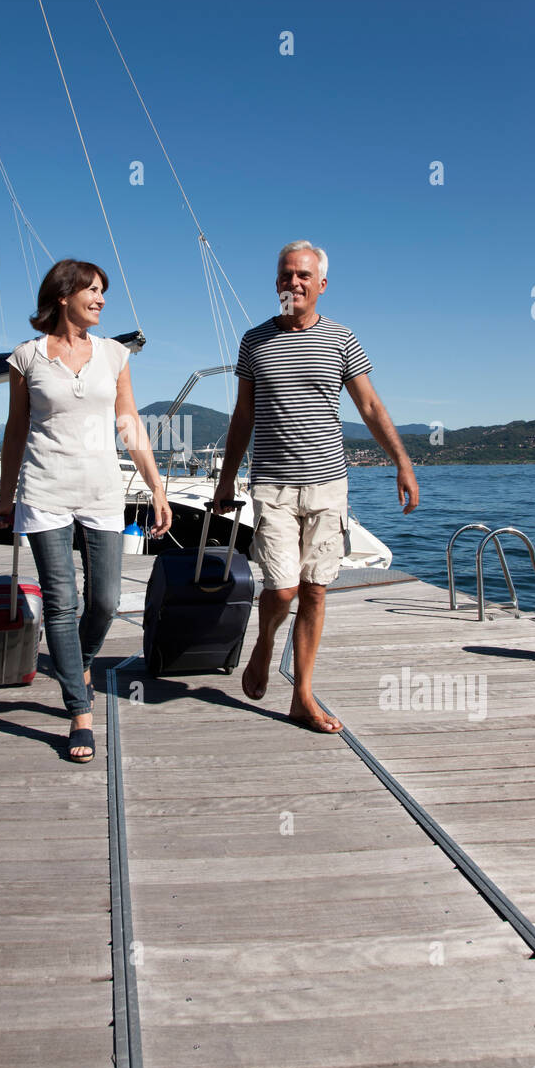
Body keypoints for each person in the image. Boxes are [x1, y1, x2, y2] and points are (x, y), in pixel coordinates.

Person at [213, 240, 419, 733]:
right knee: (281, 591)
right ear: (277, 282)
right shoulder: (254, 341)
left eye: (304, 275)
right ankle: (265, 644)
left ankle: (302, 695)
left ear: (322, 284)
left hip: (329, 487)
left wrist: (402, 462)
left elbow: (369, 407)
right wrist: (225, 480)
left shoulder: (343, 340)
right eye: (286, 275)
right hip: (273, 488)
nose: (294, 283)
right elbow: (243, 415)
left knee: (316, 591)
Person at [0, 259, 172, 762]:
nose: (102, 299)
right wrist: (6, 495)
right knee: (61, 601)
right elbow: (15, 431)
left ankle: (75, 663)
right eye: (92, 289)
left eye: (103, 291)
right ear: (63, 295)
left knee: (105, 601)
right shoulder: (26, 357)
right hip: (45, 489)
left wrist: (156, 486)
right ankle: (79, 712)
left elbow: (128, 421)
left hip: (103, 492)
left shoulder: (114, 354)